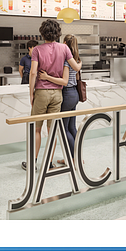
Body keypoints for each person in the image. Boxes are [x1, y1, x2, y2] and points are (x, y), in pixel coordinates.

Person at [23, 20, 82, 171]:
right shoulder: (64, 48)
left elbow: (33, 72)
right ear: (58, 33)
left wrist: (31, 93)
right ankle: (49, 162)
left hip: (42, 92)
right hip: (57, 94)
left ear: (42, 33)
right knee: (52, 130)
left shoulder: (36, 50)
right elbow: (75, 67)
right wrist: (81, 63)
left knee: (36, 129)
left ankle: (32, 162)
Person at [37, 34, 81, 167]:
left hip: (67, 94)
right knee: (72, 128)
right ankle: (75, 157)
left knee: (64, 129)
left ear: (65, 43)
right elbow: (77, 75)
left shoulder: (67, 61)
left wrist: (46, 77)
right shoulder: (77, 59)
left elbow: (64, 81)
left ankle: (73, 160)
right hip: (75, 94)